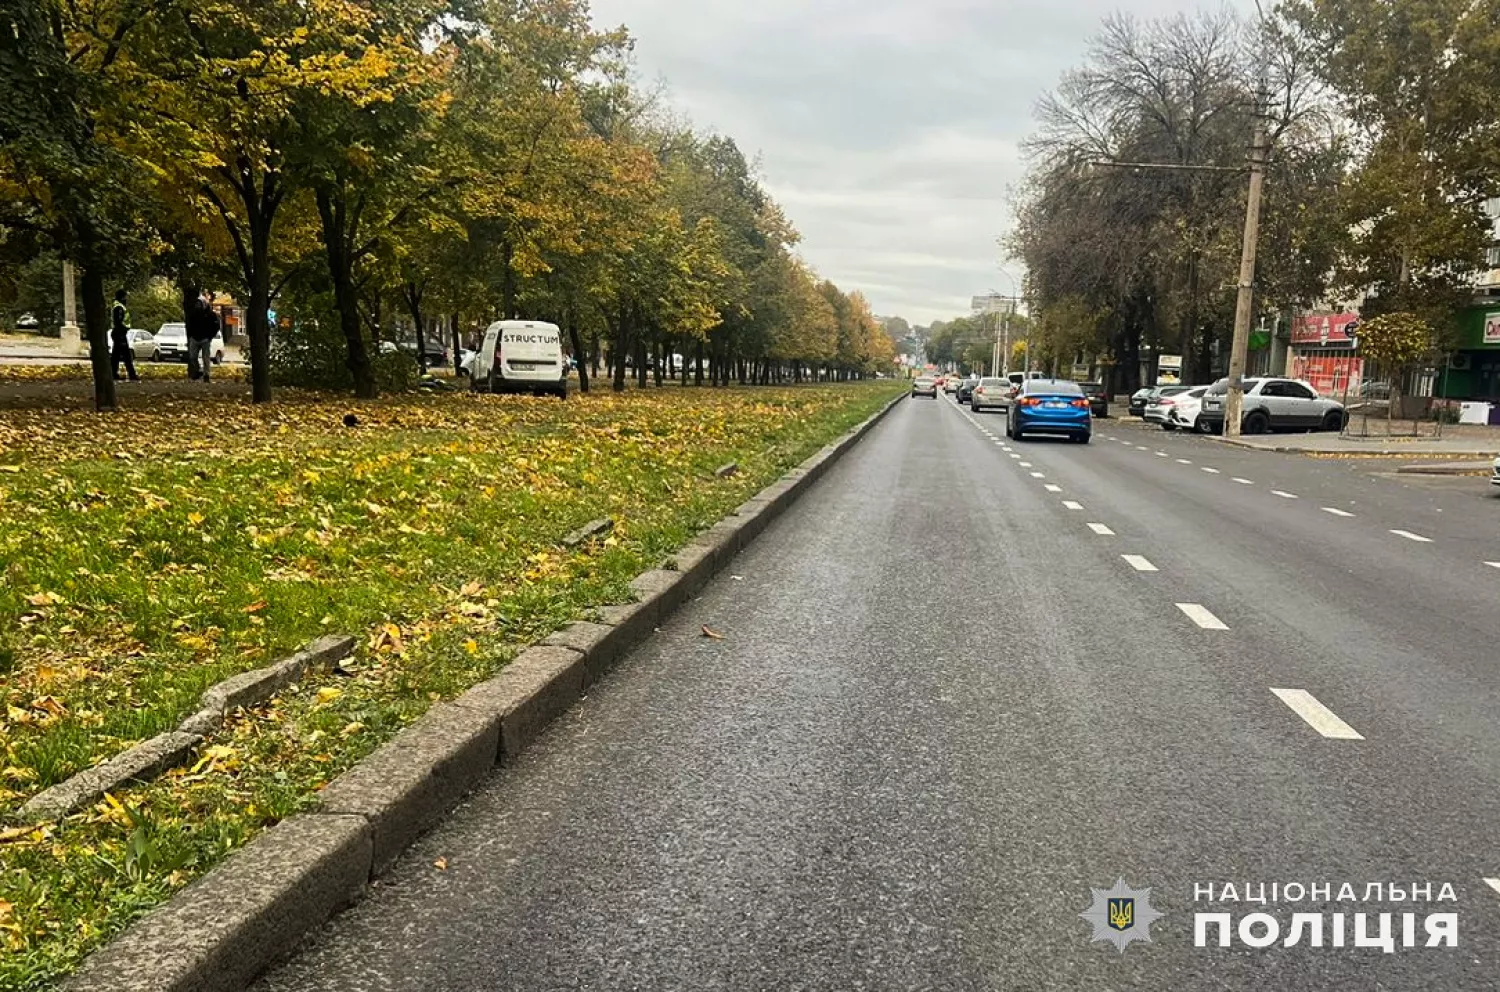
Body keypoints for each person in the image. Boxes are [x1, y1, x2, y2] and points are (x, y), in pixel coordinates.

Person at [186, 298, 220, 382]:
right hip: (194, 338)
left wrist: (210, 337)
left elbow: (216, 326)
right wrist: (191, 335)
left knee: (206, 358)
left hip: (205, 339)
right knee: (192, 357)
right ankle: (198, 370)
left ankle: (206, 375)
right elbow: (189, 325)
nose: (198, 306)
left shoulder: (211, 314)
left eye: (199, 304)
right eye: (197, 304)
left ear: (204, 305)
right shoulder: (193, 314)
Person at [111, 289, 138, 382]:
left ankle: (113, 373)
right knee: (126, 356)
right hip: (120, 333)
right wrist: (122, 332)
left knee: (116, 355)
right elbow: (118, 321)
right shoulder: (119, 307)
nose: (126, 298)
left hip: (119, 333)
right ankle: (132, 375)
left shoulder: (118, 306)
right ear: (122, 297)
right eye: (125, 296)